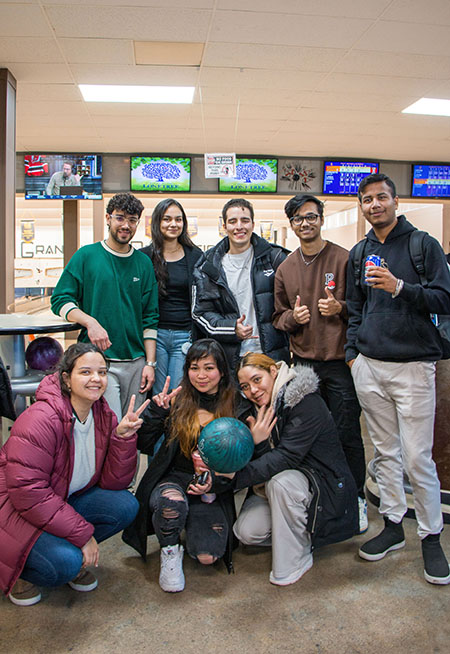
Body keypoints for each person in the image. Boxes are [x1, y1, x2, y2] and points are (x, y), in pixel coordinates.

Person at [346, 172, 450, 585]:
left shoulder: (423, 245)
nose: (375, 205)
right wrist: (353, 356)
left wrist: (400, 286)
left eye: (382, 198)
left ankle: (430, 536)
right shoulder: (360, 252)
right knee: (385, 453)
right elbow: (354, 308)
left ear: (395, 201)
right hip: (370, 366)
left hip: (413, 368)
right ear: (362, 205)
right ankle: (391, 524)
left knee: (417, 458)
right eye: (367, 199)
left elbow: (444, 299)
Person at [0, 343, 147, 606]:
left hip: (61, 498)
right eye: (86, 372)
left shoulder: (102, 414)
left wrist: (122, 439)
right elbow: (27, 495)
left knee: (125, 505)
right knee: (66, 564)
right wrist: (82, 535)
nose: (96, 379)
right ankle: (20, 574)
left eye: (102, 372)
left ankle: (66, 552)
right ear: (66, 378)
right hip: (13, 510)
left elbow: (114, 483)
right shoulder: (41, 419)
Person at [122, 339, 252, 593]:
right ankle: (170, 551)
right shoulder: (178, 400)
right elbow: (146, 445)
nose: (201, 375)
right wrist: (156, 414)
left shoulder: (238, 405)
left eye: (208, 368)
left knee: (207, 556)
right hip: (176, 477)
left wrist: (218, 479)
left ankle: (190, 520)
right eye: (194, 368)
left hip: (213, 487)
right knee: (170, 505)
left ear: (222, 371)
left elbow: (244, 466)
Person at [273, 193, 367, 532]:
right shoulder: (285, 268)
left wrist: (340, 308)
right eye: (298, 218)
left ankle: (356, 498)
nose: (305, 223)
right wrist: (293, 318)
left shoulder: (344, 259)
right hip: (303, 366)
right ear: (292, 225)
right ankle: (322, 494)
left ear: (321, 219)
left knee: (347, 433)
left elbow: (364, 308)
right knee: (309, 435)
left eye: (311, 216)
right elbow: (277, 317)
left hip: (340, 362)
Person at [230, 352, 358, 586]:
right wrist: (256, 442)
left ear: (274, 371)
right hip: (284, 489)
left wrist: (234, 478)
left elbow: (286, 457)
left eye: (257, 380)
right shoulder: (255, 409)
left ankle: (295, 560)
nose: (253, 391)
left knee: (281, 483)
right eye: (245, 386)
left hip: (324, 490)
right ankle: (292, 532)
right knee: (246, 532)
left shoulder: (305, 402)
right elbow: (265, 459)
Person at [51, 192, 159, 420]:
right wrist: (90, 322)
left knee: (130, 432)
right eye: (120, 218)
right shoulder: (86, 256)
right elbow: (59, 299)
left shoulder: (143, 263)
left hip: (135, 363)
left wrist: (149, 363)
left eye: (132, 220)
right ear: (108, 218)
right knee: (105, 430)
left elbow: (150, 317)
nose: (126, 225)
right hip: (96, 363)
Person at [192, 198, 289, 373]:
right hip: (229, 357)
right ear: (224, 226)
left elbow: (288, 305)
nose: (239, 227)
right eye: (232, 221)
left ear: (253, 224)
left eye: (245, 220)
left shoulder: (275, 258)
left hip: (270, 354)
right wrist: (231, 329)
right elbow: (200, 313)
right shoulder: (207, 264)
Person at [140, 198, 203, 395]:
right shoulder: (144, 257)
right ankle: (157, 427)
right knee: (157, 392)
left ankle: (173, 426)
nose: (173, 224)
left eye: (178, 219)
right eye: (167, 219)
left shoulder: (195, 256)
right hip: (154, 335)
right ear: (157, 222)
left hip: (184, 334)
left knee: (175, 393)